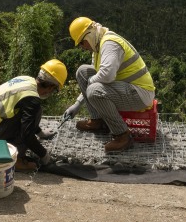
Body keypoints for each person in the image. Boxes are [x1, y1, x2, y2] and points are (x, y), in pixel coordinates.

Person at [62, 17, 155, 152]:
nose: (83, 47)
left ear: (90, 34)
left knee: (94, 91)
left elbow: (107, 75)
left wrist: (90, 86)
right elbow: (94, 78)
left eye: (83, 42)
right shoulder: (98, 47)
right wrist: (77, 104)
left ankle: (122, 135)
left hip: (140, 93)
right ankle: (98, 121)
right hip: (125, 87)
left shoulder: (110, 43)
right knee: (83, 72)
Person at [0, 59, 67, 171]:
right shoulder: (32, 99)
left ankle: (10, 151)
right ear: (51, 87)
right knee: (36, 112)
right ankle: (15, 158)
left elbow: (21, 113)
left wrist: (40, 133)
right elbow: (27, 134)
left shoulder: (25, 79)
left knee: (33, 112)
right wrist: (44, 156)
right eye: (54, 90)